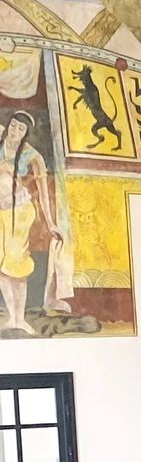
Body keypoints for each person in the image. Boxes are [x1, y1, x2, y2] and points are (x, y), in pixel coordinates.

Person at [1, 110, 57, 337]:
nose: (14, 131)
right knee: (1, 264)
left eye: (20, 129)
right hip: (0, 214)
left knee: (17, 264)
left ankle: (20, 318)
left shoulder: (32, 156)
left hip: (20, 213)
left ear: (27, 134)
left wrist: (51, 223)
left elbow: (43, 193)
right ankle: (12, 318)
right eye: (13, 125)